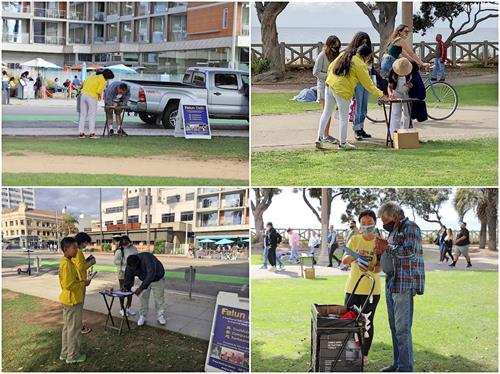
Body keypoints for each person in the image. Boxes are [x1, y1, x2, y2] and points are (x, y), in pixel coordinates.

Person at [376, 202, 425, 372]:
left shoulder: (410, 227)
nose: (383, 223)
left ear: (395, 216)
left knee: (402, 330)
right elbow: (391, 253)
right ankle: (398, 364)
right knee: (394, 327)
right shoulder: (394, 230)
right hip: (392, 283)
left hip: (404, 285)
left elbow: (410, 252)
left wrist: (387, 247)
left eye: (385, 219)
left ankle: (405, 368)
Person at [316, 45, 384, 150]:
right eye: (369, 57)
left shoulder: (344, 54)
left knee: (326, 113)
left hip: (329, 85)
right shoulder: (360, 65)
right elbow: (368, 84)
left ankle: (319, 139)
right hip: (343, 90)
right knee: (343, 118)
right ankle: (342, 144)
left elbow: (330, 67)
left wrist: (331, 78)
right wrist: (381, 94)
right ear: (364, 56)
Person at [342, 210, 382, 366]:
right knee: (349, 321)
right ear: (359, 225)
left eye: (369, 222)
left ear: (375, 223)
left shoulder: (380, 242)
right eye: (363, 223)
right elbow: (345, 261)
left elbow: (379, 268)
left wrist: (370, 267)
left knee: (367, 323)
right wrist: (355, 255)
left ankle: (364, 355)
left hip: (372, 290)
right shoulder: (354, 239)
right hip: (353, 288)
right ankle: (351, 353)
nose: (366, 226)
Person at [59, 237, 91, 364]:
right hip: (72, 300)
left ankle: (65, 352)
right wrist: (83, 283)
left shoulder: (67, 261)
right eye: (74, 248)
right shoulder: (66, 264)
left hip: (68, 299)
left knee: (68, 328)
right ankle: (72, 356)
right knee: (74, 329)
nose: (76, 250)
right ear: (66, 249)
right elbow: (69, 284)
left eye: (77, 247)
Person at [123, 252, 166, 326]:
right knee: (143, 298)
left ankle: (160, 315)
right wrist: (125, 287)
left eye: (135, 267)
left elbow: (151, 274)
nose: (134, 269)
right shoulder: (130, 265)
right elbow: (128, 276)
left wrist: (141, 288)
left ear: (138, 262)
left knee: (159, 298)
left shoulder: (147, 258)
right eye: (132, 267)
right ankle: (143, 315)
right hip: (143, 279)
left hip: (157, 278)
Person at [313, 35, 341, 144]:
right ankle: (325, 135)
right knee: (326, 112)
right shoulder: (322, 56)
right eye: (334, 47)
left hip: (334, 86)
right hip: (323, 85)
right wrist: (329, 75)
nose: (335, 49)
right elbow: (315, 72)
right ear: (329, 45)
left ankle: (325, 134)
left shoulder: (336, 55)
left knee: (330, 111)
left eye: (337, 47)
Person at [349, 32, 375, 141]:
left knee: (364, 106)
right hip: (358, 82)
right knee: (358, 106)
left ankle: (361, 127)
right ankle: (356, 129)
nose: (364, 44)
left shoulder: (368, 54)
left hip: (366, 81)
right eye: (362, 42)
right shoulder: (354, 55)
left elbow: (371, 69)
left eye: (366, 42)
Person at [78, 68, 114, 139]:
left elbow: (84, 83)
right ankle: (92, 133)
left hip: (83, 95)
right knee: (92, 115)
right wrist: (100, 97)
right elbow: (98, 91)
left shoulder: (93, 74)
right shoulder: (103, 80)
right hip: (92, 96)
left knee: (83, 115)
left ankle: (81, 133)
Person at [74, 232, 96, 334]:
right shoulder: (78, 252)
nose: (86, 245)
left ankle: (77, 325)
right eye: (86, 243)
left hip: (78, 281)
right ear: (82, 242)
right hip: (80, 282)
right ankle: (79, 327)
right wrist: (91, 262)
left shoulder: (76, 251)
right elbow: (80, 267)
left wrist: (87, 260)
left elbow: (80, 264)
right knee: (78, 306)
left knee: (77, 306)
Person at [113, 235, 138, 316]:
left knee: (130, 290)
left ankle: (129, 307)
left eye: (126, 241)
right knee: (123, 290)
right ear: (121, 242)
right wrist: (125, 265)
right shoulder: (119, 251)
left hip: (131, 272)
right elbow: (116, 262)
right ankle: (122, 309)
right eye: (123, 242)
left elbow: (137, 258)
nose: (125, 243)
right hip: (122, 273)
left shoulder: (133, 249)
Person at [387, 57, 413, 135]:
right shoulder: (392, 72)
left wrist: (411, 85)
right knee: (395, 113)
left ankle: (407, 133)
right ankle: (394, 133)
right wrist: (390, 94)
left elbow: (414, 84)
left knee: (407, 113)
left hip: (407, 92)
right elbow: (389, 86)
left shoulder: (411, 71)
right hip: (396, 92)